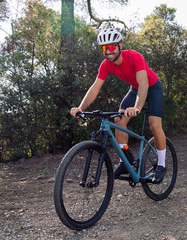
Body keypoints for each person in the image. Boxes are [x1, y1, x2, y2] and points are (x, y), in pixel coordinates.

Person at [70, 28, 166, 183]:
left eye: (111, 47)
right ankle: (125, 161)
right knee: (119, 120)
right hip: (134, 89)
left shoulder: (135, 56)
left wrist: (137, 107)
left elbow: (143, 83)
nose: (108, 51)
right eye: (104, 48)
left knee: (154, 124)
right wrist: (81, 108)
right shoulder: (106, 65)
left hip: (152, 87)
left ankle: (161, 164)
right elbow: (95, 88)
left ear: (120, 45)